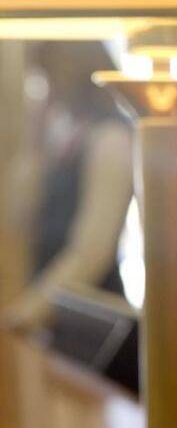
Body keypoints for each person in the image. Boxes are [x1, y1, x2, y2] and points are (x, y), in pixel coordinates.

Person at [1, 41, 133, 332]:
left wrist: (26, 312)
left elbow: (92, 251)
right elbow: (16, 216)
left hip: (95, 323)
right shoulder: (61, 136)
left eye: (47, 75)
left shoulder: (111, 137)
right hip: (57, 318)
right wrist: (33, 143)